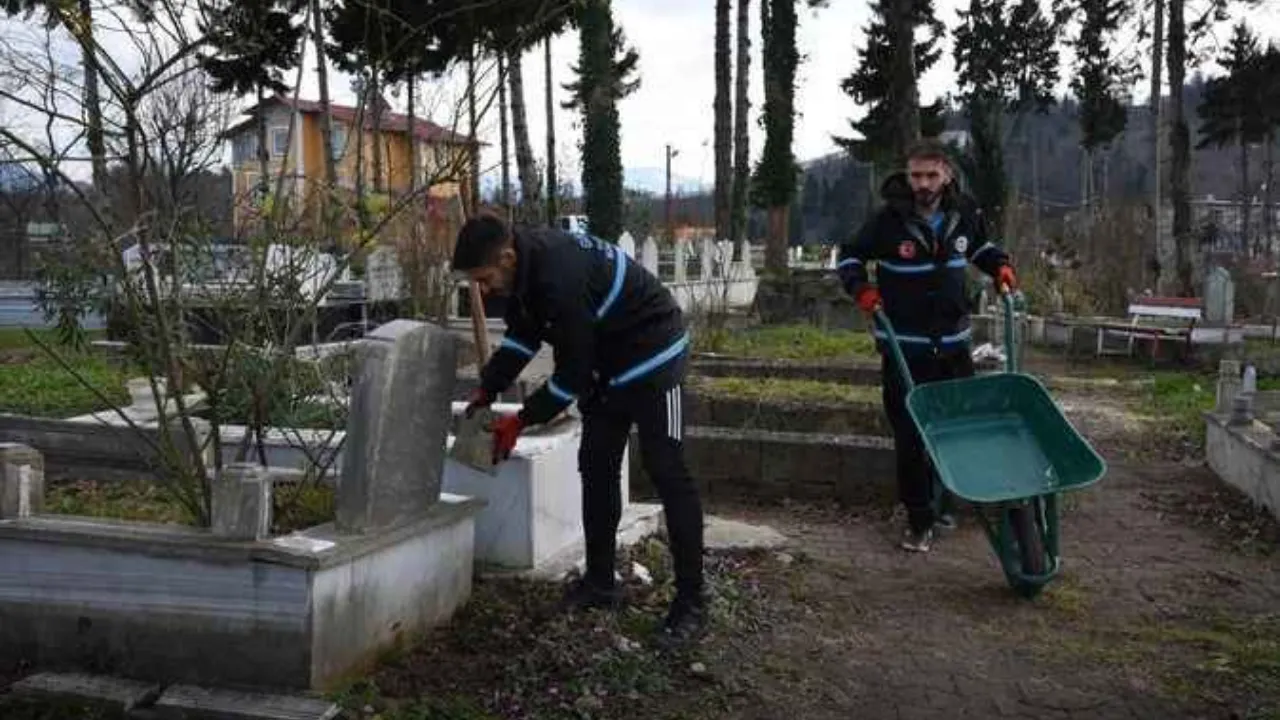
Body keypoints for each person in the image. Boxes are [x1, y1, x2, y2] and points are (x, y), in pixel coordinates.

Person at [453, 211, 707, 645]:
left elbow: (571, 375)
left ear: (508, 257)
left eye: (484, 278)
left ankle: (692, 603)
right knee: (596, 466)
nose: (482, 289)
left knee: (667, 469)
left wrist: (522, 419)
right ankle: (600, 583)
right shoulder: (525, 275)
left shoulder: (561, 278)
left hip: (653, 355)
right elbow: (521, 339)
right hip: (607, 362)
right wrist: (487, 390)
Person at [837, 139, 1017, 553]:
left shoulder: (964, 213)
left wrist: (1000, 266)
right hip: (905, 348)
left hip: (954, 345)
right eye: (916, 175)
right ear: (907, 175)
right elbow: (849, 258)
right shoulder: (886, 222)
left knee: (955, 431)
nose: (922, 183)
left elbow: (981, 248)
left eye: (931, 175)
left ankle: (948, 501)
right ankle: (919, 519)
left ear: (946, 175)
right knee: (910, 435)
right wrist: (862, 291)